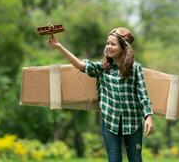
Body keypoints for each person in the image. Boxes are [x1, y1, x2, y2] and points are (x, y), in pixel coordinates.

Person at [47, 27, 153, 162]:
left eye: (113, 44)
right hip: (110, 123)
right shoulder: (102, 68)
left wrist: (148, 117)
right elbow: (80, 65)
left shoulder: (135, 68)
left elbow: (143, 94)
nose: (108, 46)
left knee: (136, 160)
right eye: (107, 43)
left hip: (133, 123)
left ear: (123, 47)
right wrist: (59, 46)